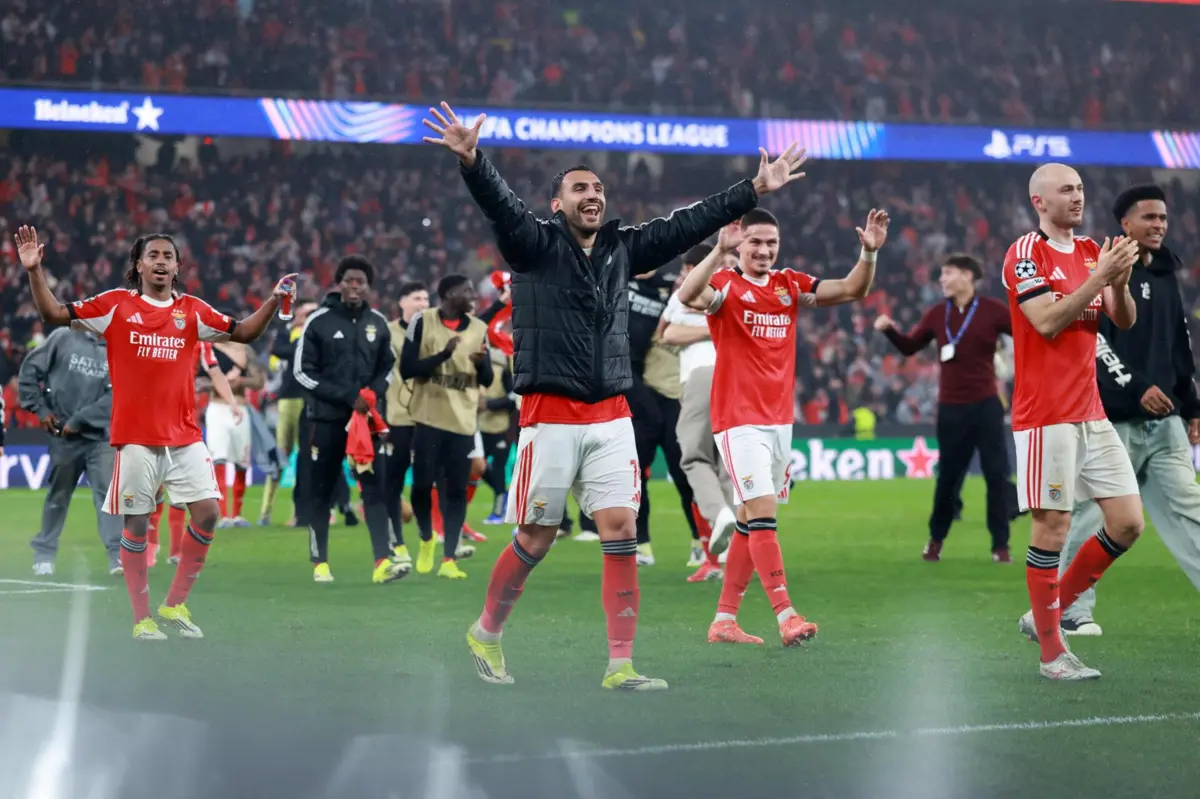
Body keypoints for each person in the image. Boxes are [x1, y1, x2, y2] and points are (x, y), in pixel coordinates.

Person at [422, 100, 807, 690]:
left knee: (622, 528)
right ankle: (487, 633)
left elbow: (687, 223)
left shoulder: (623, 248)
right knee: (535, 536)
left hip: (612, 414)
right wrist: (474, 161)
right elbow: (501, 208)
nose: (591, 194)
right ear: (557, 204)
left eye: (597, 187)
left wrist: (754, 186)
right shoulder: (532, 245)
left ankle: (620, 665)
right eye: (578, 188)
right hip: (550, 415)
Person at [18, 225, 293, 640]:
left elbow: (245, 332)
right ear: (138, 264)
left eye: (169, 256)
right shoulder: (115, 305)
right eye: (154, 255)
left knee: (209, 513)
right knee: (136, 524)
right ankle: (141, 617)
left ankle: (175, 603)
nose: (161, 261)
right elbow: (54, 314)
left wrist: (273, 300)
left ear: (178, 266)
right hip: (135, 437)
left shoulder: (193, 311)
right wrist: (34, 270)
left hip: (184, 435)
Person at [678, 207, 890, 647]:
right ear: (740, 244)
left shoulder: (789, 284)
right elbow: (688, 296)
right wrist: (718, 249)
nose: (764, 250)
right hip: (739, 421)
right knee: (764, 519)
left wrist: (868, 253)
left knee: (746, 521)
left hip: (778, 423)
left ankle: (724, 620)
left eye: (771, 242)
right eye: (755, 241)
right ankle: (786, 615)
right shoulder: (726, 285)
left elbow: (852, 289)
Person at [1002, 162, 1143, 680]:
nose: (1078, 197)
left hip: (1090, 410)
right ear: (1039, 201)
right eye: (1066, 190)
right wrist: (1100, 279)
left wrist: (1119, 283)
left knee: (1128, 523)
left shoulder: (1090, 252)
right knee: (1052, 526)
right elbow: (1045, 322)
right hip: (1046, 415)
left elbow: (1122, 318)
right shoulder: (1025, 253)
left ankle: (1046, 615)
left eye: (1081, 187)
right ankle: (1051, 655)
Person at [1060, 184, 1200, 635]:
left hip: (1165, 424)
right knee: (1091, 515)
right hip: (1108, 420)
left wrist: (1193, 405)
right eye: (1149, 218)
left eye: (1162, 218)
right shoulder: (1098, 267)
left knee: (1190, 508)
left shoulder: (1166, 274)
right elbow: (1094, 340)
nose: (1158, 225)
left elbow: (1179, 346)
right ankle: (1071, 609)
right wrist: (1135, 386)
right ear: (1125, 224)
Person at [874, 253, 1017, 563]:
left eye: (947, 273)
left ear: (967, 275)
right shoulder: (938, 314)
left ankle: (1000, 545)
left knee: (997, 476)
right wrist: (889, 329)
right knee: (949, 479)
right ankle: (936, 540)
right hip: (951, 409)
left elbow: (1025, 334)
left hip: (987, 406)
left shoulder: (993, 311)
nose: (942, 280)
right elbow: (910, 346)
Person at [293, 255, 407, 585]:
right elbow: (302, 372)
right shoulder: (319, 321)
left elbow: (388, 366)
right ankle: (320, 562)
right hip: (326, 420)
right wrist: (346, 395)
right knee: (323, 491)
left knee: (375, 489)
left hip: (365, 422)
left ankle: (382, 561)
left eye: (361, 281)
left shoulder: (377, 322)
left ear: (368, 286)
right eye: (349, 280)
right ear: (339, 282)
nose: (354, 286)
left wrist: (371, 393)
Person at [400, 274, 493, 579]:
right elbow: (407, 368)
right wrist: (443, 355)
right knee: (423, 487)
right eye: (467, 291)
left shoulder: (479, 329)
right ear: (449, 294)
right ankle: (427, 538)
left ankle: (449, 558)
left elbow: (488, 380)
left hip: (463, 424)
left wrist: (482, 364)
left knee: (455, 490)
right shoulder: (422, 322)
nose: (473, 296)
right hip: (428, 419)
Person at [660, 243, 739, 583]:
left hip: (704, 377)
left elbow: (668, 332)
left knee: (694, 459)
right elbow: (666, 335)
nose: (680, 277)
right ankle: (724, 557)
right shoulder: (735, 290)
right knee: (725, 468)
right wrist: (714, 329)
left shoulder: (687, 295)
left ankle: (720, 524)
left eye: (684, 270)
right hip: (736, 381)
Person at [17, 325, 122, 576]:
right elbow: (30, 370)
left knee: (108, 497)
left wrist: (79, 420)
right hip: (63, 436)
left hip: (100, 437)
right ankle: (44, 553)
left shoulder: (120, 348)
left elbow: (117, 395)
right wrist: (40, 410)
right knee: (58, 495)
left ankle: (118, 556)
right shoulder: (63, 337)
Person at [627, 266, 698, 566]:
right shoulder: (622, 281)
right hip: (642, 395)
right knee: (636, 478)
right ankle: (641, 545)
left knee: (685, 476)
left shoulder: (690, 302)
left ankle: (700, 542)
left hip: (675, 400)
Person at [383, 281, 430, 567]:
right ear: (402, 302)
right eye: (416, 298)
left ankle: (427, 539)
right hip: (397, 419)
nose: (423, 303)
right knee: (394, 482)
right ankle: (396, 543)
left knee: (425, 484)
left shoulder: (436, 333)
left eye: (426, 298)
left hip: (429, 419)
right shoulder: (386, 334)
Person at [260, 298, 319, 526]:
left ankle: (300, 512)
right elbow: (277, 357)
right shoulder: (286, 334)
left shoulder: (319, 333)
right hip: (288, 399)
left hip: (310, 399)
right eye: (305, 313)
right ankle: (265, 511)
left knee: (305, 456)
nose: (307, 318)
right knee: (281, 454)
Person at [206, 339, 264, 527]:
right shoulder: (209, 350)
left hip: (240, 408)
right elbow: (198, 381)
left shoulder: (246, 351)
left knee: (242, 461)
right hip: (217, 407)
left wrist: (240, 380)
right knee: (219, 459)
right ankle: (223, 515)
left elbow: (259, 381)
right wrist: (221, 381)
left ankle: (237, 515)